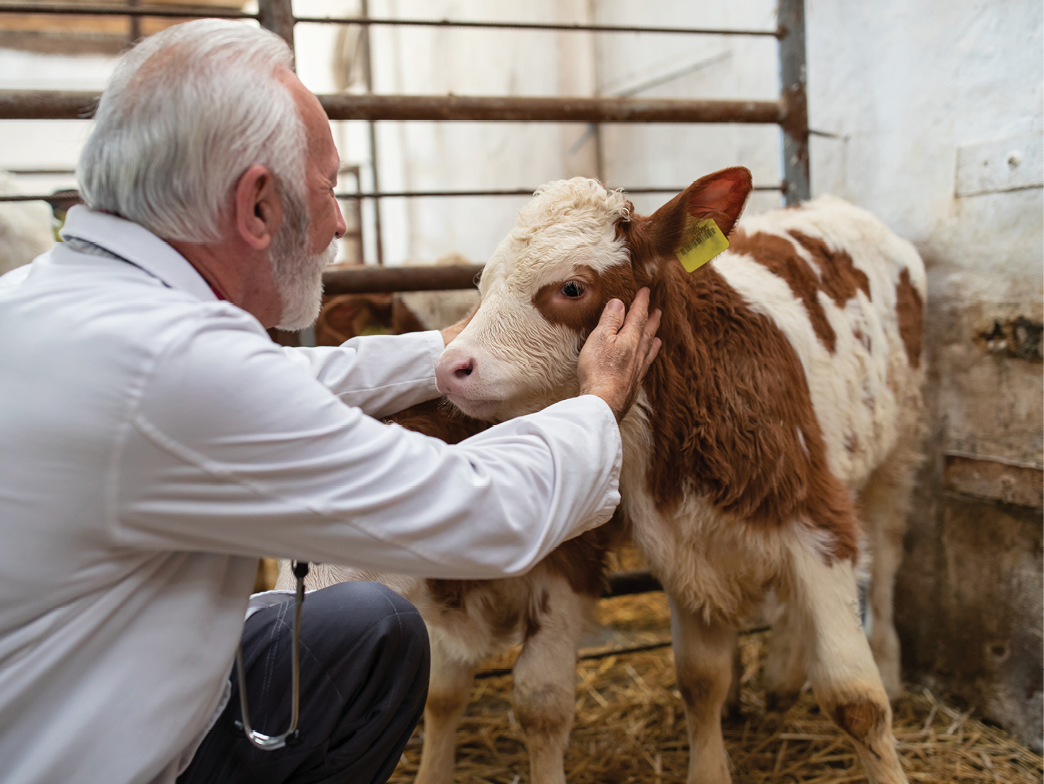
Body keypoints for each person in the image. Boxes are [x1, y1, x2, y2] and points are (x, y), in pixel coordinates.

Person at [0, 19, 661, 784]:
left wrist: (448, 346)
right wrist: (597, 401)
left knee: (362, 625)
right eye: (328, 190)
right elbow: (477, 510)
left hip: (68, 698)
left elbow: (293, 384)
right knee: (376, 628)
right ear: (256, 206)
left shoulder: (44, 297)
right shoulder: (172, 370)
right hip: (96, 761)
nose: (340, 220)